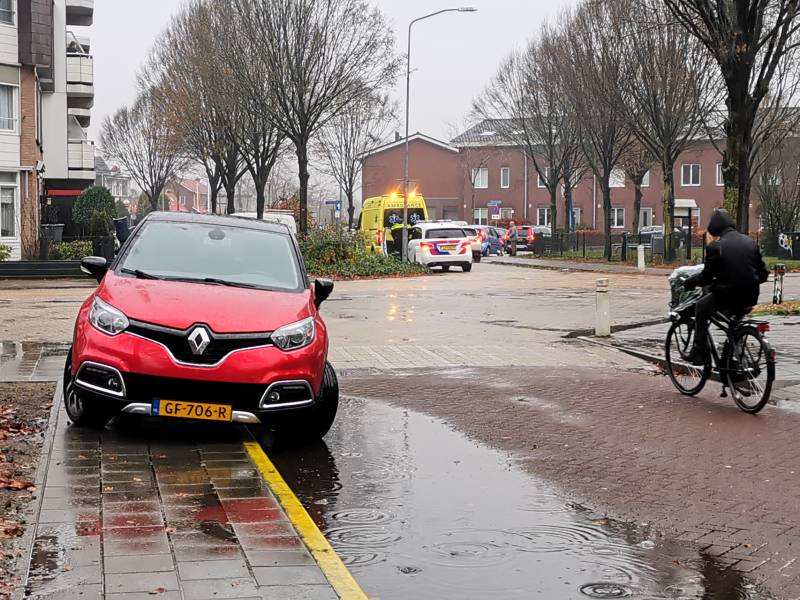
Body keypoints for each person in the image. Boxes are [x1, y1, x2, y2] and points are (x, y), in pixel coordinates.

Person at [684, 209, 769, 365]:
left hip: (728, 295)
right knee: (734, 324)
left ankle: (699, 352)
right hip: (751, 296)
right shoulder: (750, 242)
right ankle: (735, 355)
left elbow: (706, 277)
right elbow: (763, 273)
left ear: (715, 228)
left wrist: (690, 282)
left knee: (701, 307)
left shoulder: (716, 247)